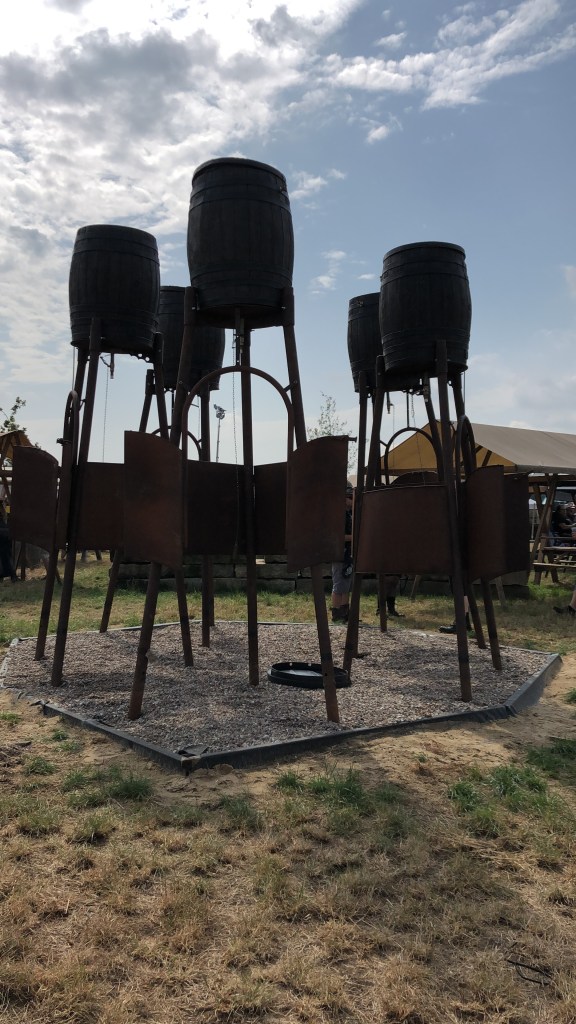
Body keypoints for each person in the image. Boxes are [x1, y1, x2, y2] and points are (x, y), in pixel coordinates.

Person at [331, 482, 354, 623]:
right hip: (340, 553)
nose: (351, 499)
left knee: (346, 585)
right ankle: (336, 613)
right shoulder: (339, 515)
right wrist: (354, 537)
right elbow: (338, 536)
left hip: (348, 554)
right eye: (349, 497)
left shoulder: (349, 514)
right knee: (339, 585)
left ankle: (345, 612)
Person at [0, 502, 18, 582]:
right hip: (5, 532)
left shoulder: (6, 506)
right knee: (6, 555)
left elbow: (7, 514)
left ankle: (12, 575)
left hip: (4, 533)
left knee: (6, 555)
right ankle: (12, 575)